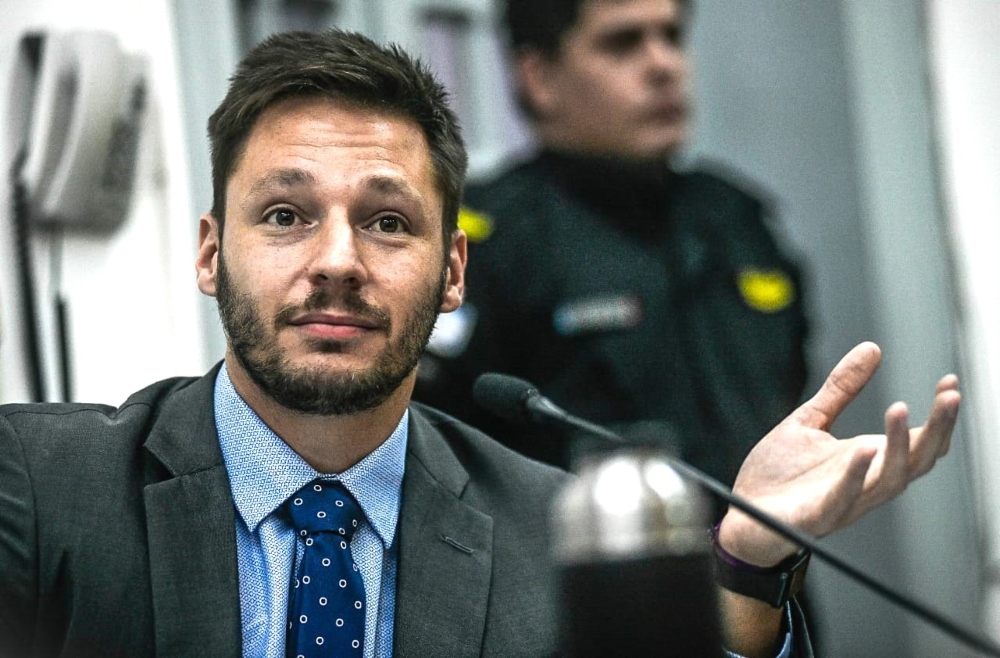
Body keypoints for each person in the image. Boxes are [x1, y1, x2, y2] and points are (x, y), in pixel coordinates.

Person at [0, 28, 960, 658]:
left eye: (387, 222)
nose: (337, 261)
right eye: (286, 215)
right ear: (212, 252)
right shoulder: (42, 489)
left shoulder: (552, 535)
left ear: (453, 271)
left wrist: (746, 561)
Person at [415, 0, 810, 485]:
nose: (664, 65)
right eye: (622, 43)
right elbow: (444, 446)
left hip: (764, 528)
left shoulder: (733, 216)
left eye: (672, 37)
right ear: (540, 78)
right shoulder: (485, 242)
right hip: (576, 531)